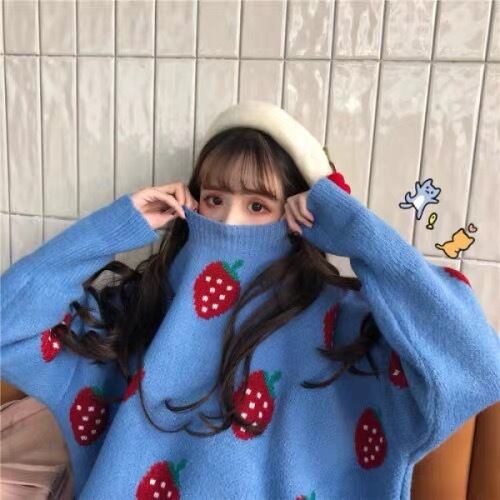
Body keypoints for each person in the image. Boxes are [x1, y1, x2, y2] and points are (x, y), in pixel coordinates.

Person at [1, 100, 499, 500]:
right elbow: (9, 327)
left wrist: (358, 235)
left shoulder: (345, 325)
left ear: (303, 213)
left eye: (258, 205)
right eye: (214, 199)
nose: (229, 223)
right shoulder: (144, 305)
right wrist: (115, 227)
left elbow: (477, 365)